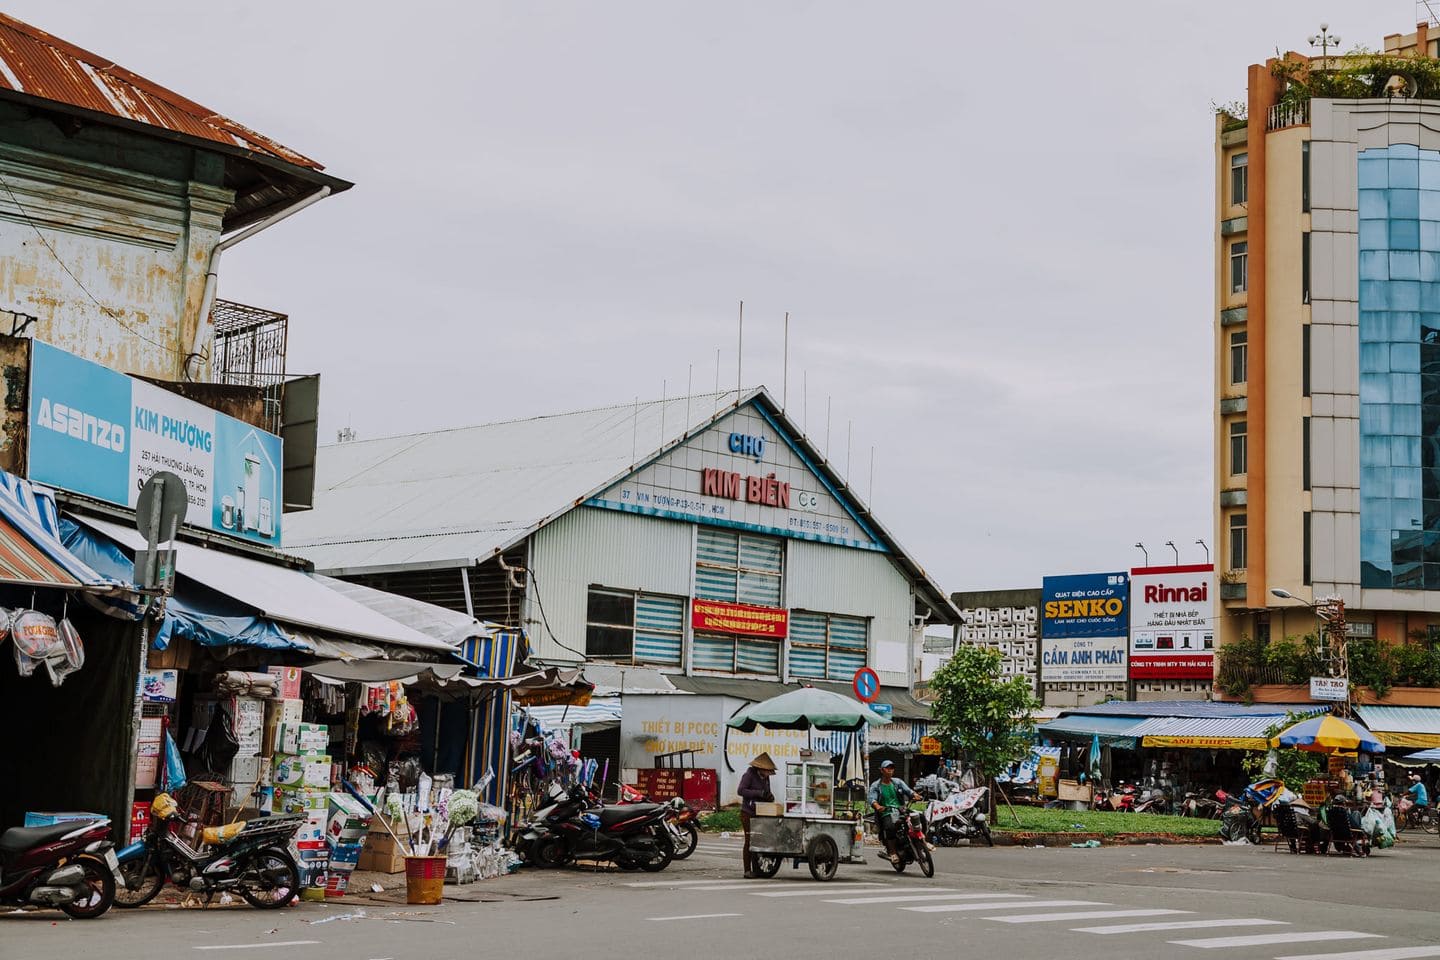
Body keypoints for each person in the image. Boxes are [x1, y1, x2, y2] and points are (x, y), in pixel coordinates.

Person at [868, 759, 916, 866]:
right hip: (886, 812)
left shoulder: (897, 782)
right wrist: (878, 806)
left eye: (892, 768)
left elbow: (908, 791)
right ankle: (893, 852)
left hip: (900, 810)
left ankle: (923, 842)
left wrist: (915, 795)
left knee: (918, 817)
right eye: (887, 768)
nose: (890, 770)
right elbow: (872, 799)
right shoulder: (876, 785)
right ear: (882, 770)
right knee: (890, 827)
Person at [737, 752, 776, 877]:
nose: (769, 773)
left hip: (760, 813)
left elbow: (767, 792)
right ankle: (747, 870)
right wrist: (759, 793)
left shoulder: (766, 778)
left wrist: (769, 796)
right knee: (749, 841)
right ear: (761, 768)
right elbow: (741, 790)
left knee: (758, 841)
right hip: (747, 813)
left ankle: (757, 869)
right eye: (768, 771)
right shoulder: (748, 775)